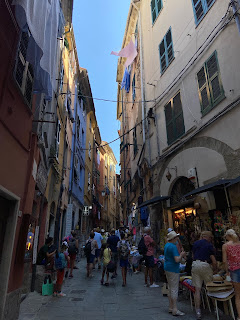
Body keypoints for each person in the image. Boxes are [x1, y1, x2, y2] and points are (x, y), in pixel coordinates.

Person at [192, 231, 217, 320]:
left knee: (197, 290)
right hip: (205, 265)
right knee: (210, 287)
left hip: (195, 264)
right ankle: (215, 308)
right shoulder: (209, 245)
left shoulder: (195, 244)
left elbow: (193, 256)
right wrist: (215, 269)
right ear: (209, 237)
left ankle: (198, 311)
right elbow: (213, 261)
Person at [164, 230, 186, 316]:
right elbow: (177, 259)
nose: (177, 239)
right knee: (174, 289)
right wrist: (181, 254)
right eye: (176, 237)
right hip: (173, 268)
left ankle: (171, 307)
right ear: (173, 238)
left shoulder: (167, 245)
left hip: (167, 267)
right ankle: (175, 309)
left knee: (170, 287)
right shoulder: (173, 247)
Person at [222, 229, 240, 320]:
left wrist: (227, 272)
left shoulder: (225, 246)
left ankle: (239, 316)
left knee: (238, 295)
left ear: (228, 236)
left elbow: (225, 261)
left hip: (234, 270)